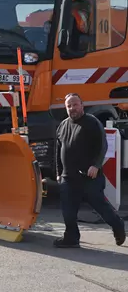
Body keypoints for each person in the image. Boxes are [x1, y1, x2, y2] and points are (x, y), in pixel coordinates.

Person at [54, 93, 126, 248]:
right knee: (68, 212)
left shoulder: (92, 122)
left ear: (82, 104)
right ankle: (71, 238)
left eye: (75, 104)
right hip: (68, 177)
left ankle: (118, 225)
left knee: (101, 207)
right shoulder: (63, 125)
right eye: (69, 106)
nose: (72, 108)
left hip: (88, 176)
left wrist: (96, 165)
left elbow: (102, 145)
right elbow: (58, 150)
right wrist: (58, 173)